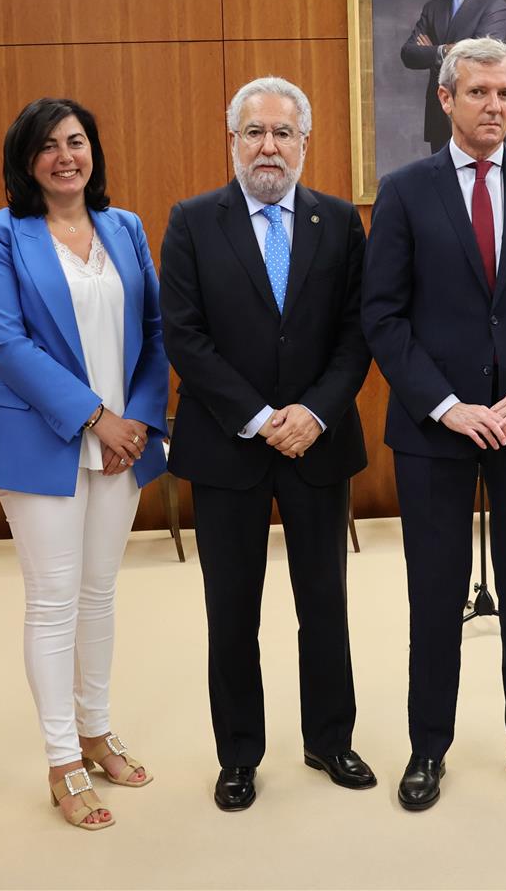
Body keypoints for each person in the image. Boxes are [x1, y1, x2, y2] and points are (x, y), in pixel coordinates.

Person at [362, 37, 506, 810]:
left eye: (504, 94)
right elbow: (383, 315)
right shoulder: (404, 190)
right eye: (479, 93)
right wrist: (446, 404)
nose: (494, 106)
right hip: (435, 431)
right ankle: (428, 749)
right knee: (434, 599)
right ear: (446, 100)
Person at [160, 77, 375, 813]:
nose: (269, 147)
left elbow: (356, 335)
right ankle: (240, 756)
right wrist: (258, 417)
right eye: (254, 132)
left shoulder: (340, 222)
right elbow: (184, 336)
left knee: (324, 604)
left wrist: (312, 414)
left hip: (320, 444)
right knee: (233, 612)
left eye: (284, 133)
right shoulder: (192, 221)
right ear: (233, 142)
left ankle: (330, 740)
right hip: (228, 448)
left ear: (306, 144)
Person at [0, 98, 170, 830]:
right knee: (53, 603)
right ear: (27, 162)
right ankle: (61, 760)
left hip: (125, 446)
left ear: (94, 151)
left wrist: (139, 421)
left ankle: (95, 729)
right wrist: (98, 418)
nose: (65, 156)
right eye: (47, 146)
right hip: (43, 442)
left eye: (76, 141)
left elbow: (155, 330)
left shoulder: (125, 228)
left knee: (100, 594)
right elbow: (9, 344)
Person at [400, 0, 506, 151]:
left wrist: (432, 51)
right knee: (440, 183)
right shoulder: (433, 8)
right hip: (438, 111)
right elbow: (409, 54)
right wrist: (443, 50)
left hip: (476, 111)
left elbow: (482, 56)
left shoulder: (494, 6)